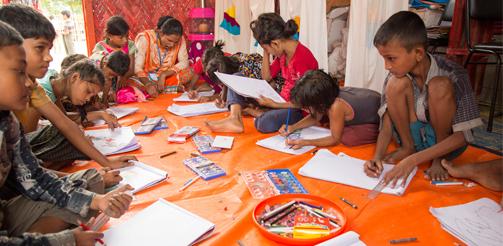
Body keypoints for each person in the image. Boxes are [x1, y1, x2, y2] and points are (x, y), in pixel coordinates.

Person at [0, 18, 133, 245]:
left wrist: (97, 201)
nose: (30, 83)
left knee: (90, 182)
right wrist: (67, 240)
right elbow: (63, 126)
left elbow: (34, 178)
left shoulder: (8, 120)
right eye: (18, 72)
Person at [0, 4, 135, 170]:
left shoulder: (34, 86)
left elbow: (65, 123)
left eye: (49, 49)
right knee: (65, 137)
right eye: (40, 48)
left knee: (73, 135)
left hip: (19, 152)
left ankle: (40, 169)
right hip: (17, 155)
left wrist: (106, 163)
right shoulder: (36, 87)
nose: (49, 57)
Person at [363, 11, 483, 186]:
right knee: (395, 84)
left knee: (439, 85)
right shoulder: (396, 75)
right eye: (384, 58)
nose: (387, 66)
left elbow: (464, 136)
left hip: (445, 145)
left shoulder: (454, 74)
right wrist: (376, 158)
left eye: (391, 58)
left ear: (418, 53)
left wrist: (413, 161)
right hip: (415, 140)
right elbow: (386, 125)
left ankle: (438, 159)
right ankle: (407, 147)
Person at [206, 13, 318, 133]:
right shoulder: (283, 53)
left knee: (264, 123)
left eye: (266, 48)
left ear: (275, 43)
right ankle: (235, 118)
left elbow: (305, 103)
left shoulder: (302, 58)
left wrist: (274, 105)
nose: (267, 51)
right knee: (236, 77)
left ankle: (256, 112)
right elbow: (267, 77)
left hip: (296, 109)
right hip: (278, 100)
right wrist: (266, 51)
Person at [279, 70, 380, 148]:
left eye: (307, 106)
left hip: (378, 118)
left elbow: (335, 139)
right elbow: (315, 117)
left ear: (319, 103)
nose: (305, 109)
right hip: (371, 101)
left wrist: (306, 142)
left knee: (346, 138)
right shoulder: (327, 94)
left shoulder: (336, 106)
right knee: (333, 127)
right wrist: (293, 127)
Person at [39, 58, 121, 129]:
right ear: (75, 77)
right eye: (88, 91)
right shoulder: (44, 91)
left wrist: (101, 114)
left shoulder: (54, 84)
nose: (88, 99)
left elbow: (63, 117)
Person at [134, 17, 190, 97]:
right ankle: (171, 89)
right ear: (160, 32)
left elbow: (184, 62)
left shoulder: (179, 39)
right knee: (130, 82)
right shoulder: (144, 38)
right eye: (169, 40)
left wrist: (164, 74)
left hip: (166, 79)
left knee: (189, 72)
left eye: (175, 42)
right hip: (145, 78)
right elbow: (137, 67)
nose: (172, 45)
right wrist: (148, 84)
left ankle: (160, 89)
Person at [91, 15, 135, 105]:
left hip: (123, 78)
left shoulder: (130, 45)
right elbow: (102, 76)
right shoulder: (100, 48)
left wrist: (123, 77)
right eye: (121, 37)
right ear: (109, 35)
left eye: (127, 36)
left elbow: (131, 69)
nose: (125, 40)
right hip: (102, 81)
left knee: (129, 95)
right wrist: (110, 90)